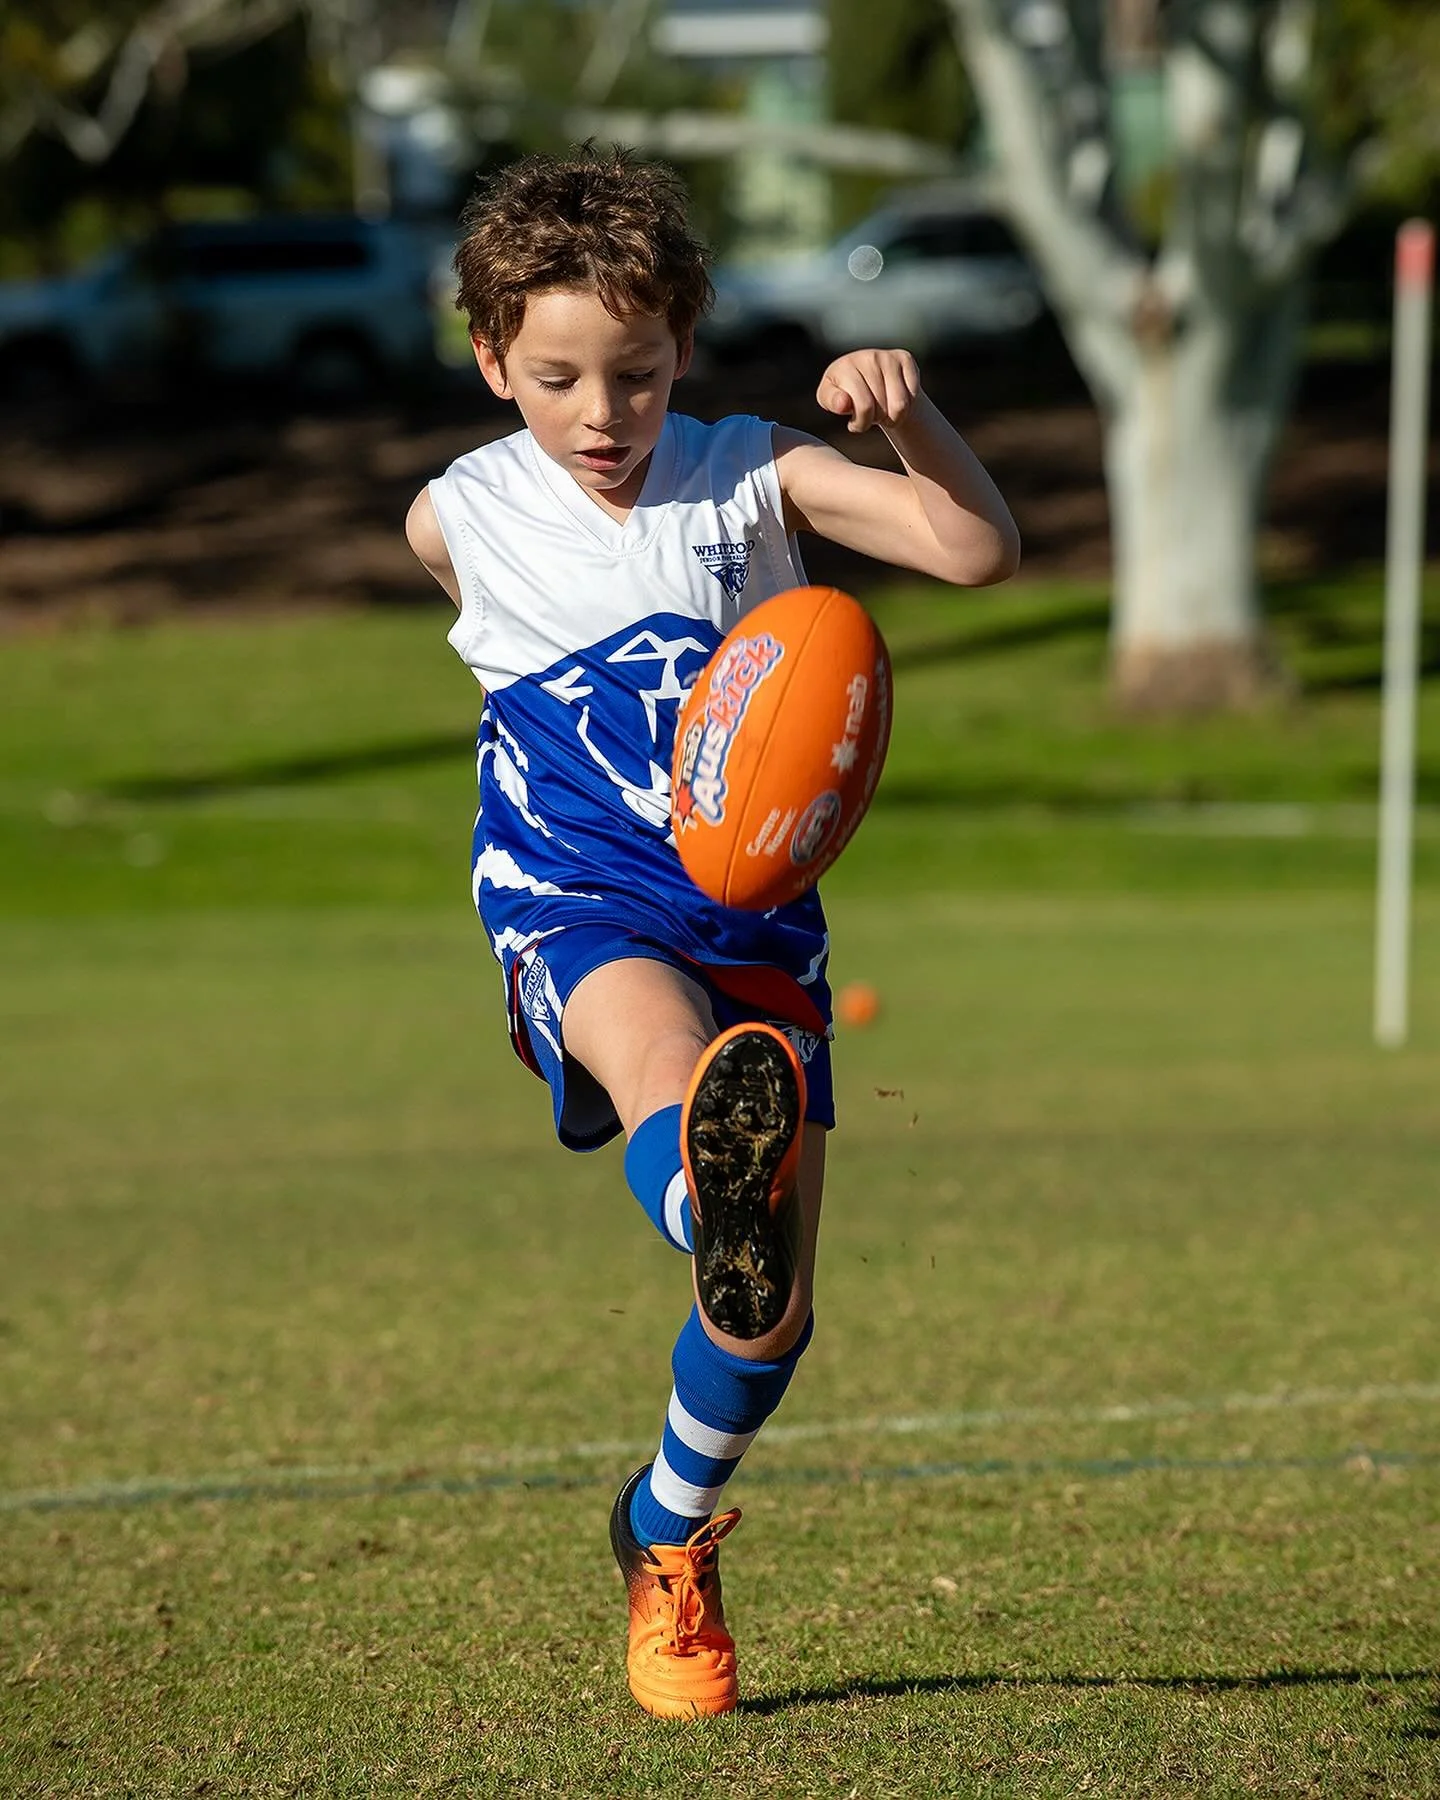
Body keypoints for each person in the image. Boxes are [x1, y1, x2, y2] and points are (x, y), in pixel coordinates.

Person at [405, 144, 1019, 1720]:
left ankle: (661, 1529)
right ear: (491, 360)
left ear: (686, 345)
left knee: (775, 1321)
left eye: (638, 372)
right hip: (574, 885)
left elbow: (971, 550)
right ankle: (702, 1186)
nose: (600, 416)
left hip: (751, 908)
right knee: (663, 1059)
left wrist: (910, 424)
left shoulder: (752, 470)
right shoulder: (459, 511)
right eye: (555, 378)